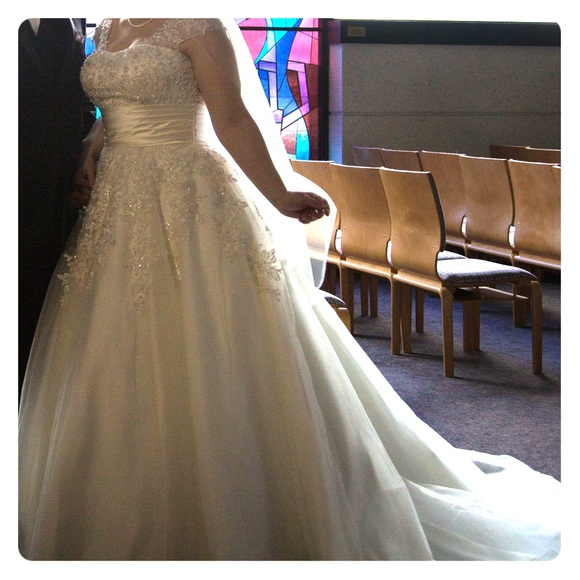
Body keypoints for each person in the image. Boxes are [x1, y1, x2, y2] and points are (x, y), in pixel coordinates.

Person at [18, 18, 560, 561]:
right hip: (118, 197)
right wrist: (92, 145)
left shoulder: (200, 21)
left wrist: (278, 194)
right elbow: (112, 110)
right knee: (113, 340)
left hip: (186, 193)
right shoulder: (109, 24)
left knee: (207, 336)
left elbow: (232, 118)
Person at [18, 18, 93, 394]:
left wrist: (83, 160)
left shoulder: (72, 16)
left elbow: (79, 100)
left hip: (60, 198)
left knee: (42, 317)